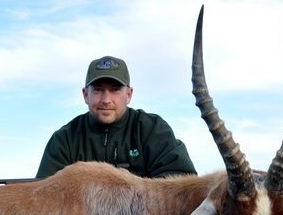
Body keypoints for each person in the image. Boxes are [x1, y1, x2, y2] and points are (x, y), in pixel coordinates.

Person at [36, 55, 196, 179]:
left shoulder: (152, 129)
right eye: (98, 90)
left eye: (115, 90)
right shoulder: (64, 139)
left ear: (129, 94)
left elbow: (182, 180)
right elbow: (43, 196)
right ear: (85, 95)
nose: (106, 100)